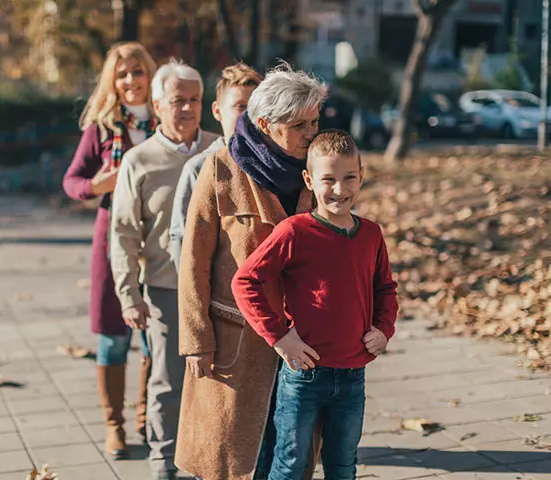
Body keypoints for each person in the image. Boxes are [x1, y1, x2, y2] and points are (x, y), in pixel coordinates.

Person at [175, 63, 325, 480]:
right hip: (234, 343)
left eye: (315, 121)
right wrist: (196, 340)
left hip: (302, 341)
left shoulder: (317, 173)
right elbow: (193, 261)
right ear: (265, 124)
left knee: (292, 457)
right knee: (236, 460)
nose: (311, 133)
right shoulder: (222, 168)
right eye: (300, 125)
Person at [231, 130, 399, 480]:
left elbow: (385, 288)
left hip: (353, 376)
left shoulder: (371, 234)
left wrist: (384, 329)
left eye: (349, 177)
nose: (340, 189)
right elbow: (245, 282)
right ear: (309, 180)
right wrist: (279, 337)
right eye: (328, 180)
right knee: (290, 465)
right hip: (303, 376)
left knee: (342, 466)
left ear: (362, 175)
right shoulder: (294, 232)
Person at [110, 59, 219, 480]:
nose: (187, 109)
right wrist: (128, 294)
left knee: (214, 380)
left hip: (217, 289)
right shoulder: (139, 161)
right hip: (165, 289)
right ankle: (164, 462)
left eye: (194, 100)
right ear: (157, 105)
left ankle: (207, 456)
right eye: (177, 101)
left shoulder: (219, 150)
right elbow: (122, 233)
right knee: (168, 380)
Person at [62, 42, 157, 460]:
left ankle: (146, 418)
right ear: (112, 81)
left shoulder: (167, 121)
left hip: (158, 241)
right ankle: (114, 426)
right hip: (113, 240)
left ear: (150, 74)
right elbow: (73, 181)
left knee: (157, 337)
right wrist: (97, 185)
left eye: (137, 71)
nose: (131, 80)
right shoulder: (101, 128)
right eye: (122, 74)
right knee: (113, 338)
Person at [169, 63, 262, 269]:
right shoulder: (200, 167)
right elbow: (182, 239)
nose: (249, 116)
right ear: (217, 111)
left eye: (255, 107)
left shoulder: (271, 164)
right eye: (240, 107)